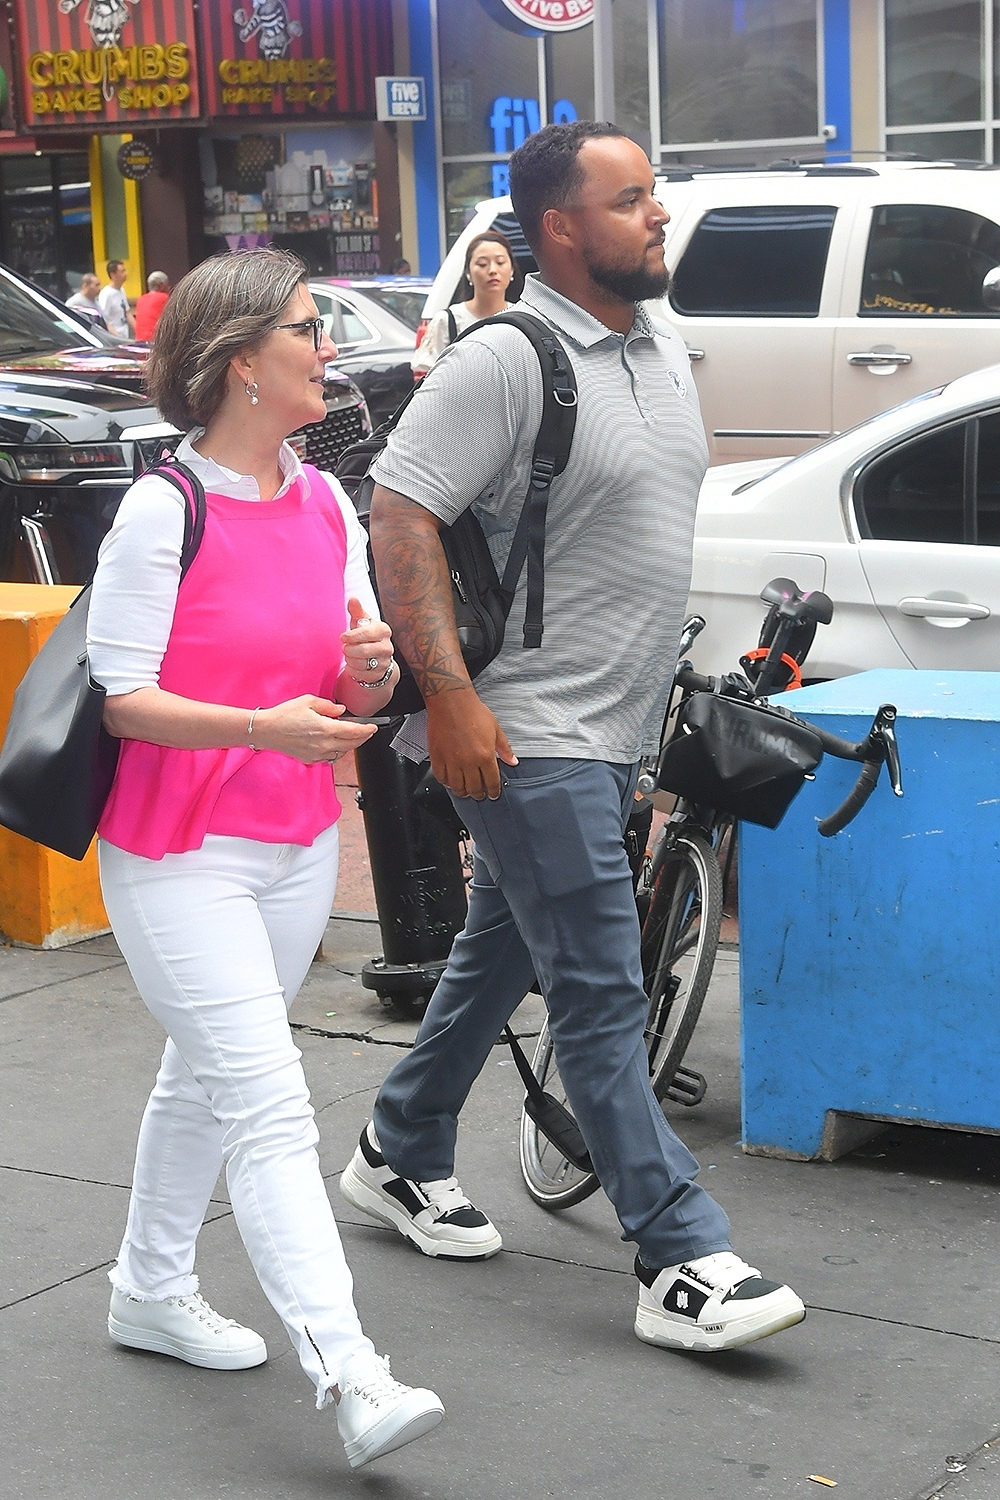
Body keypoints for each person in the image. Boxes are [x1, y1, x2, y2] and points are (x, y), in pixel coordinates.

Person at [341, 122, 807, 1355]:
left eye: (655, 193)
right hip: (524, 729)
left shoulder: (656, 343)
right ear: (560, 227)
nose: (659, 214)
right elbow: (400, 516)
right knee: (602, 992)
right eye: (633, 198)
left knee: (505, 951)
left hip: (612, 729)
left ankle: (399, 1142)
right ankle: (679, 1251)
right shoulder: (507, 358)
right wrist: (449, 697)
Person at [86, 248, 444, 1471]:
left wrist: (372, 672)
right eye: (305, 329)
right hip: (178, 848)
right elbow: (123, 696)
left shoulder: (325, 500)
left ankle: (148, 1287)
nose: (326, 346)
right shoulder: (160, 508)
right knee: (270, 1100)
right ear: (241, 362)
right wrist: (258, 726)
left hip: (292, 841)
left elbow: (347, 666)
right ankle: (352, 1372)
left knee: (207, 1076)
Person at [411, 230, 520, 377]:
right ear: (468, 272)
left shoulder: (523, 317)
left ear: (511, 269)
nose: (493, 270)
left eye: (500, 262)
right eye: (482, 264)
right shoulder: (448, 321)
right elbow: (423, 376)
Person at [99, 259, 134, 339]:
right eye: (122, 271)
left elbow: (127, 313)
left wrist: (138, 329)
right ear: (113, 274)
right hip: (114, 337)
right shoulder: (106, 294)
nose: (125, 274)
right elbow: (104, 319)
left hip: (125, 335)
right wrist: (116, 336)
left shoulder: (122, 290)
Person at [134, 270, 171, 341]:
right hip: (155, 340)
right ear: (161, 285)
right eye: (167, 284)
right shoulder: (164, 298)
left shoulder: (141, 299)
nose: (169, 287)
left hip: (139, 340)